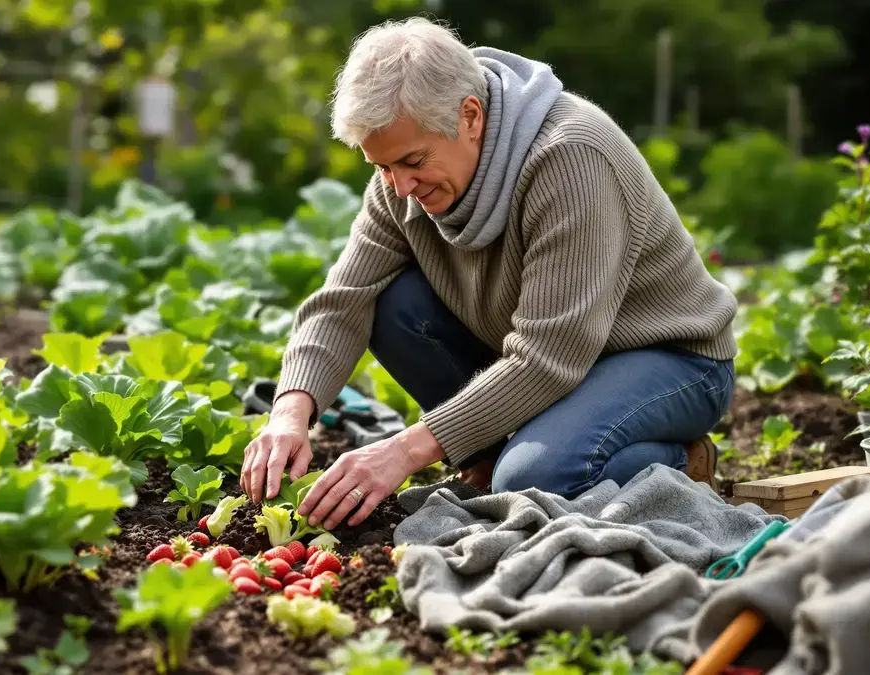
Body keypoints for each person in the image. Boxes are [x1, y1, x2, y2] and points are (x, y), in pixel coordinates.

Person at [239, 17, 738, 531]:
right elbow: (343, 301)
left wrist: (404, 452)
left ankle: (680, 461)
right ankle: (496, 453)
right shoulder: (399, 182)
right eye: (382, 167)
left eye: (412, 161)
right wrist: (290, 413)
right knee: (391, 303)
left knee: (533, 478)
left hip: (668, 361)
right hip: (550, 365)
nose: (400, 187)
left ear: (470, 117)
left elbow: (548, 357)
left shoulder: (571, 158)